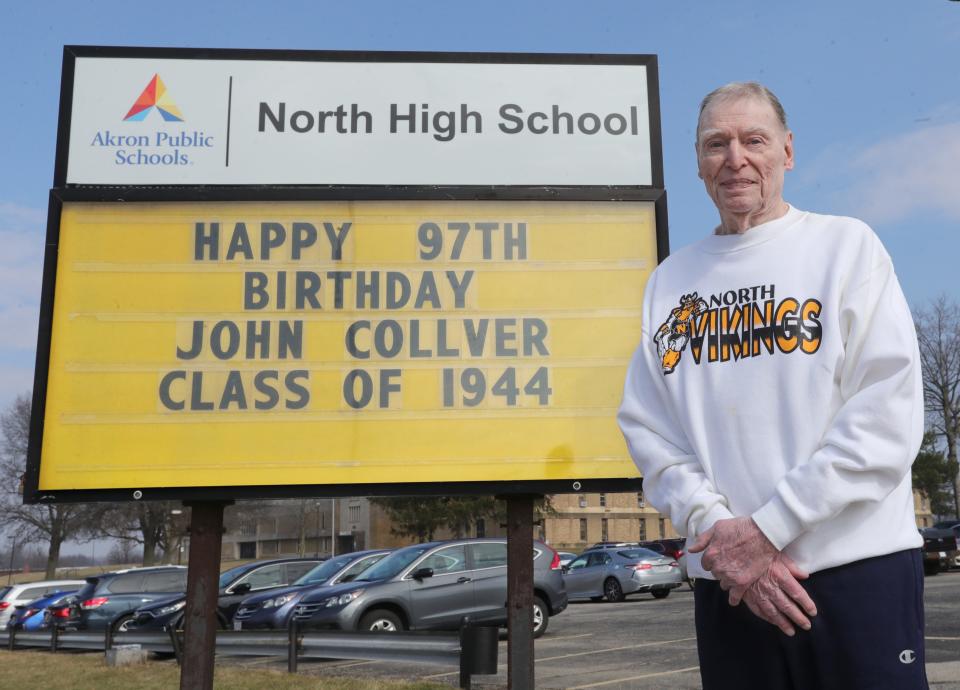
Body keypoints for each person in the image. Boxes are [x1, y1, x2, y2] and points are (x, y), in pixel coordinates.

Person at [617, 82, 927, 689]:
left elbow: (886, 412)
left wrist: (769, 530)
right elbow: (651, 434)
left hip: (855, 571)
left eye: (753, 140)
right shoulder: (671, 283)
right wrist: (727, 542)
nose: (735, 158)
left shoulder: (846, 248)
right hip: (730, 586)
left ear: (787, 151)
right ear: (698, 163)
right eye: (716, 144)